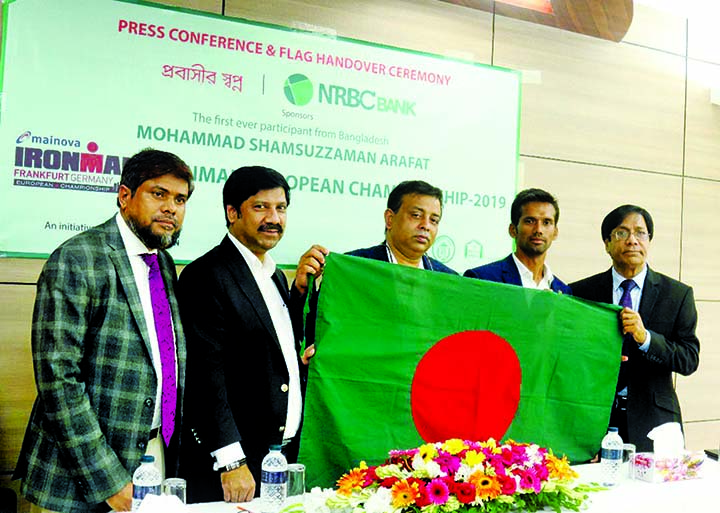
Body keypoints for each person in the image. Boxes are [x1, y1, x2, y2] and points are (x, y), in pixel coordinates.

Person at [14, 148, 193, 512]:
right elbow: (58, 381)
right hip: (76, 480)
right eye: (158, 194)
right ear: (125, 196)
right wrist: (108, 479)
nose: (171, 208)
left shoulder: (164, 265)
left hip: (151, 458)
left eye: (180, 199)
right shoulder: (78, 258)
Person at [178, 166, 320, 503]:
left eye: (281, 208)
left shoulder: (274, 275)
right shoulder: (206, 275)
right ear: (232, 212)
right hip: (231, 469)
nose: (274, 218)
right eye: (261, 207)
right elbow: (204, 376)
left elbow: (270, 347)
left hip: (274, 459)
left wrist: (300, 298)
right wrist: (231, 461)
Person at [570, 205, 700, 452]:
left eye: (640, 233)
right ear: (607, 243)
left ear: (649, 241)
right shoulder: (581, 293)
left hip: (655, 422)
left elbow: (689, 360)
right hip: (594, 418)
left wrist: (646, 338)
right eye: (621, 233)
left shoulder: (678, 294)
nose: (632, 241)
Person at [464, 188, 570, 293]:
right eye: (530, 221)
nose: (538, 230)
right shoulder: (481, 279)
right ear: (513, 230)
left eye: (546, 222)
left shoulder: (564, 292)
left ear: (555, 232)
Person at [347, 180, 456, 273]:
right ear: (390, 219)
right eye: (416, 215)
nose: (426, 226)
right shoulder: (353, 267)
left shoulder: (449, 279)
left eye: (434, 220)